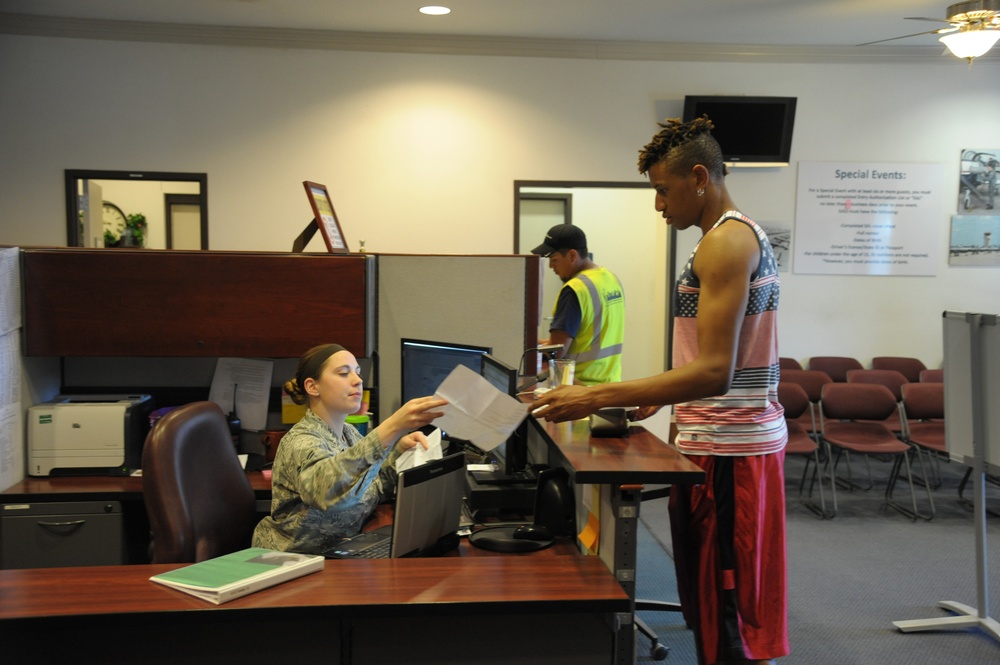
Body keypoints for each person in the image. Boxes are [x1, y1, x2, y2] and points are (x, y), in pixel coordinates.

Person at [532, 116, 788, 665]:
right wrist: (664, 395)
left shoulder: (724, 245)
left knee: (729, 617)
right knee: (711, 608)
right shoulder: (726, 239)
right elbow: (719, 358)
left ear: (700, 177)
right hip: (718, 441)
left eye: (662, 191)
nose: (658, 205)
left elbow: (717, 371)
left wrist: (595, 396)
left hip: (731, 450)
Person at [253, 343, 447, 554]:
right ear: (312, 387)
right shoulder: (301, 441)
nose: (358, 380)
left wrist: (398, 451)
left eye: (358, 372)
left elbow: (370, 487)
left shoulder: (349, 433)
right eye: (344, 373)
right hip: (293, 560)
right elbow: (326, 493)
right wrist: (391, 428)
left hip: (340, 551)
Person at [531, 224, 625, 385]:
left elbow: (557, 352)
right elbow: (587, 337)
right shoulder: (610, 279)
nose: (551, 266)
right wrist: (538, 343)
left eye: (554, 260)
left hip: (579, 389)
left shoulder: (575, 289)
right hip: (610, 387)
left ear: (572, 255)